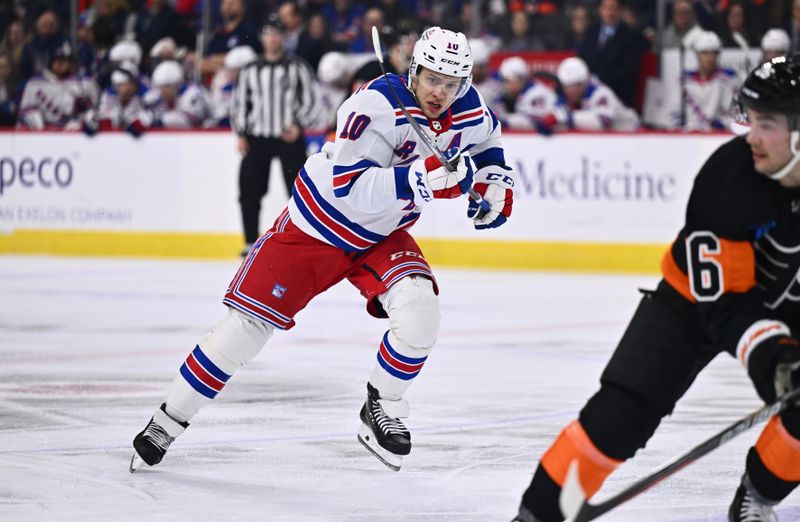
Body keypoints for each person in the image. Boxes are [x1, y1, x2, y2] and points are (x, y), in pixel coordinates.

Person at [130, 26, 516, 474]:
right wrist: (417, 179)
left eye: (452, 84)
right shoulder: (374, 104)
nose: (441, 92)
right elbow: (348, 188)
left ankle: (382, 406)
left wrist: (495, 181)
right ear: (414, 71)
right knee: (243, 331)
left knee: (420, 313)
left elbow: (489, 138)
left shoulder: (468, 105)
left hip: (380, 236)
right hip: (319, 226)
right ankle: (167, 421)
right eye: (432, 79)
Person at [513, 54, 800, 522]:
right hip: (691, 304)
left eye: (767, 123)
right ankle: (539, 515)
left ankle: (758, 495)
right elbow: (727, 304)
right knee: (619, 417)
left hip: (788, 305)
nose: (752, 135)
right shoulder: (729, 178)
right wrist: (775, 359)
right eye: (753, 119)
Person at [232, 14, 320, 256]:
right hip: (257, 137)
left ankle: (305, 238)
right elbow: (239, 103)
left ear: (283, 36)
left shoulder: (297, 66)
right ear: (262, 37)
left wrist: (299, 124)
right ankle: (250, 240)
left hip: (288, 137)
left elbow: (313, 99)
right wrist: (241, 133)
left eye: (276, 33)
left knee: (299, 191)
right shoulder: (250, 70)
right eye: (268, 32)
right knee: (249, 190)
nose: (272, 38)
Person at [535, 56, 639, 134]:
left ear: (584, 82)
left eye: (574, 85)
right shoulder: (564, 96)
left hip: (632, 134)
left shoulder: (600, 92)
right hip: (606, 142)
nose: (569, 90)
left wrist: (567, 117)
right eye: (566, 86)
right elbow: (556, 118)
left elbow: (603, 122)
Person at [17, 41, 98, 130]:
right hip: (41, 133)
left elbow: (95, 110)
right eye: (57, 60)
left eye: (64, 60)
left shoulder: (85, 83)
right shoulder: (35, 83)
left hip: (73, 132)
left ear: (71, 63)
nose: (60, 64)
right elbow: (25, 111)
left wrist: (85, 108)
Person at [674, 31, 740, 131]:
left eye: (714, 53)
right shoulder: (684, 80)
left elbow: (735, 114)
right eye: (704, 53)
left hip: (717, 135)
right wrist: (680, 129)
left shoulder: (729, 79)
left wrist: (719, 125)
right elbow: (673, 113)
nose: (710, 58)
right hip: (688, 137)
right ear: (697, 54)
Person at [490, 56, 557, 133]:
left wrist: (507, 122)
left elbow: (536, 123)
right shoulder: (501, 97)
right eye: (507, 79)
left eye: (516, 79)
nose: (512, 84)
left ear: (524, 79)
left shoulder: (536, 93)